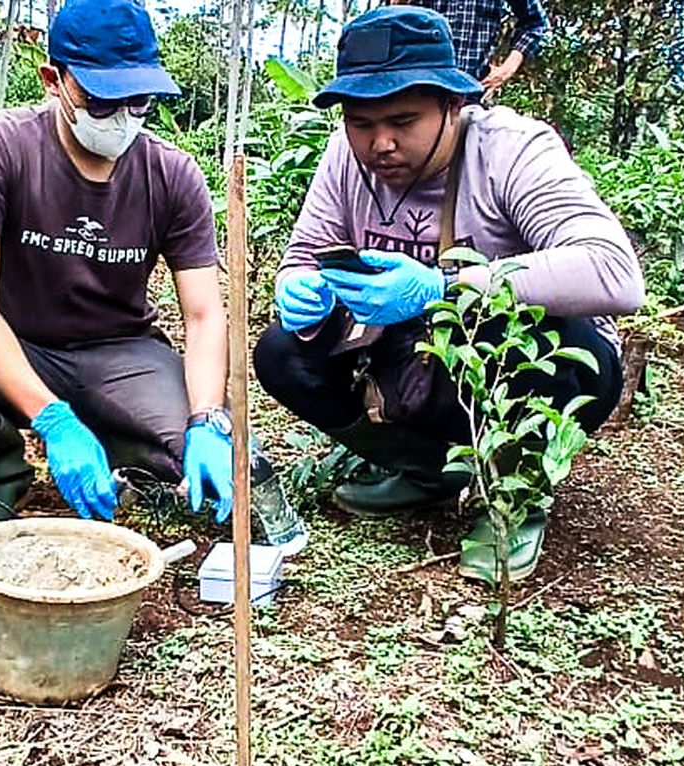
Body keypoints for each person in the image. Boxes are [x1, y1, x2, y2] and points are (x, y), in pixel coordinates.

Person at [0, 0, 306, 549]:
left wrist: (208, 420)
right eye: (101, 100)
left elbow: (204, 315)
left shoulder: (171, 175)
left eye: (139, 100)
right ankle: (0, 472)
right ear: (54, 80)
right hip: (14, 343)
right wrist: (52, 421)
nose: (122, 117)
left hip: (120, 352)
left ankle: (119, 442)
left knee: (207, 460)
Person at [253, 6, 643, 582]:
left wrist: (445, 286)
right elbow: (306, 252)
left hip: (517, 355)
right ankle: (430, 471)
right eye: (362, 123)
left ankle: (514, 495)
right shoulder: (345, 156)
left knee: (554, 338)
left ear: (454, 105)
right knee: (282, 353)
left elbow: (614, 272)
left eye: (403, 120)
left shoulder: (512, 150)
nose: (380, 143)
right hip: (406, 346)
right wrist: (297, 285)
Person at [389, 0, 549, 91]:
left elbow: (535, 23)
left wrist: (508, 67)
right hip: (420, 90)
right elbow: (394, 23)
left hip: (471, 90)